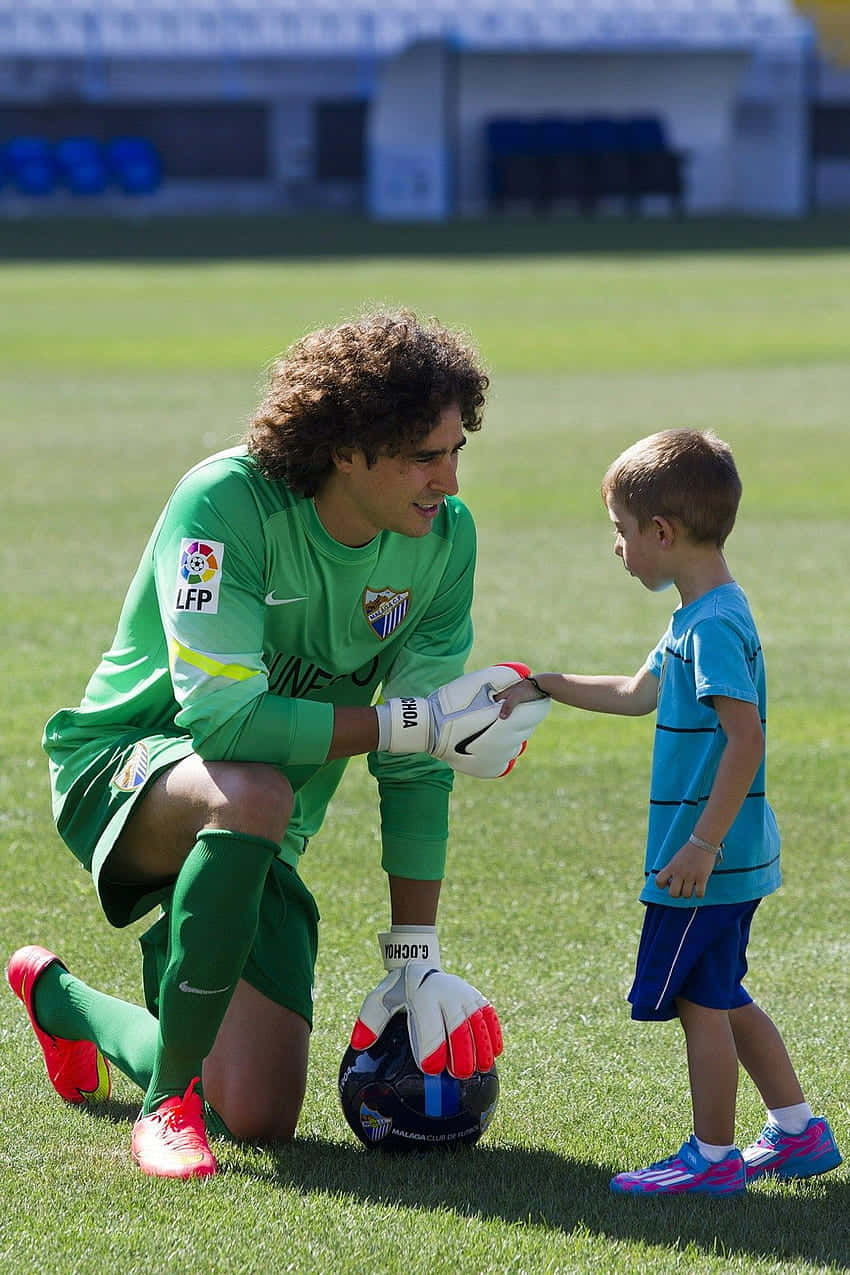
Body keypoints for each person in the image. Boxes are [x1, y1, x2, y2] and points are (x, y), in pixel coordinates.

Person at [6, 308, 548, 1179]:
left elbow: (416, 758)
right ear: (345, 448)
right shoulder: (224, 503)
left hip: (259, 824)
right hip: (125, 769)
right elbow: (222, 721)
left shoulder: (444, 545)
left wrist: (418, 959)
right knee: (254, 788)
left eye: (455, 452)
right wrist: (416, 721)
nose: (447, 479)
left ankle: (62, 999)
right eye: (421, 455)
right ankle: (161, 1110)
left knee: (259, 1112)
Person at [497, 428, 841, 1196]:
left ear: (662, 531)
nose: (616, 547)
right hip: (725, 855)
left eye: (621, 531)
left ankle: (714, 1158)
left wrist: (701, 844)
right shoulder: (698, 615)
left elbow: (745, 739)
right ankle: (798, 1130)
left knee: (699, 1001)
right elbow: (637, 691)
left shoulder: (713, 625)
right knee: (723, 990)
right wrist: (546, 682)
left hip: (706, 862)